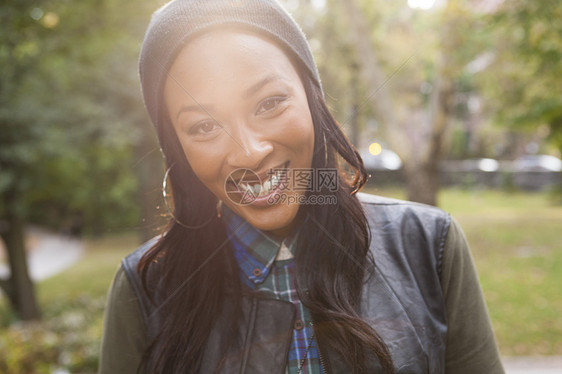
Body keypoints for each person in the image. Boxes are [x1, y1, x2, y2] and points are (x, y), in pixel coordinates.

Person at [98, 0, 505, 373]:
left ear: (312, 99)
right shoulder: (144, 290)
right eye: (204, 126)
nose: (249, 153)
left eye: (270, 102)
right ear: (177, 148)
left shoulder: (429, 246)